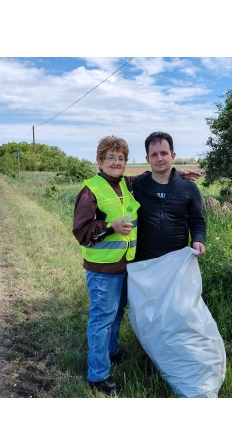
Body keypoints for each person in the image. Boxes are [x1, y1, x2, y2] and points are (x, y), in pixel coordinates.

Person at [72, 135, 140, 396]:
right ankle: (97, 375)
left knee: (117, 314)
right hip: (102, 271)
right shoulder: (91, 190)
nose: (116, 162)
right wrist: (110, 228)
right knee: (101, 319)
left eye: (121, 157)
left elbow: (148, 176)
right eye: (110, 157)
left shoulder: (124, 185)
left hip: (125, 267)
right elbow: (81, 231)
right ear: (99, 161)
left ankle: (111, 352)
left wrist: (177, 175)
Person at [131, 131, 206, 261]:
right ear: (147, 159)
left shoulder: (189, 188)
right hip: (143, 262)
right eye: (154, 154)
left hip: (177, 262)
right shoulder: (137, 185)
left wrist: (198, 239)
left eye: (164, 153)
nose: (159, 158)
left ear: (173, 155)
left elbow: (197, 221)